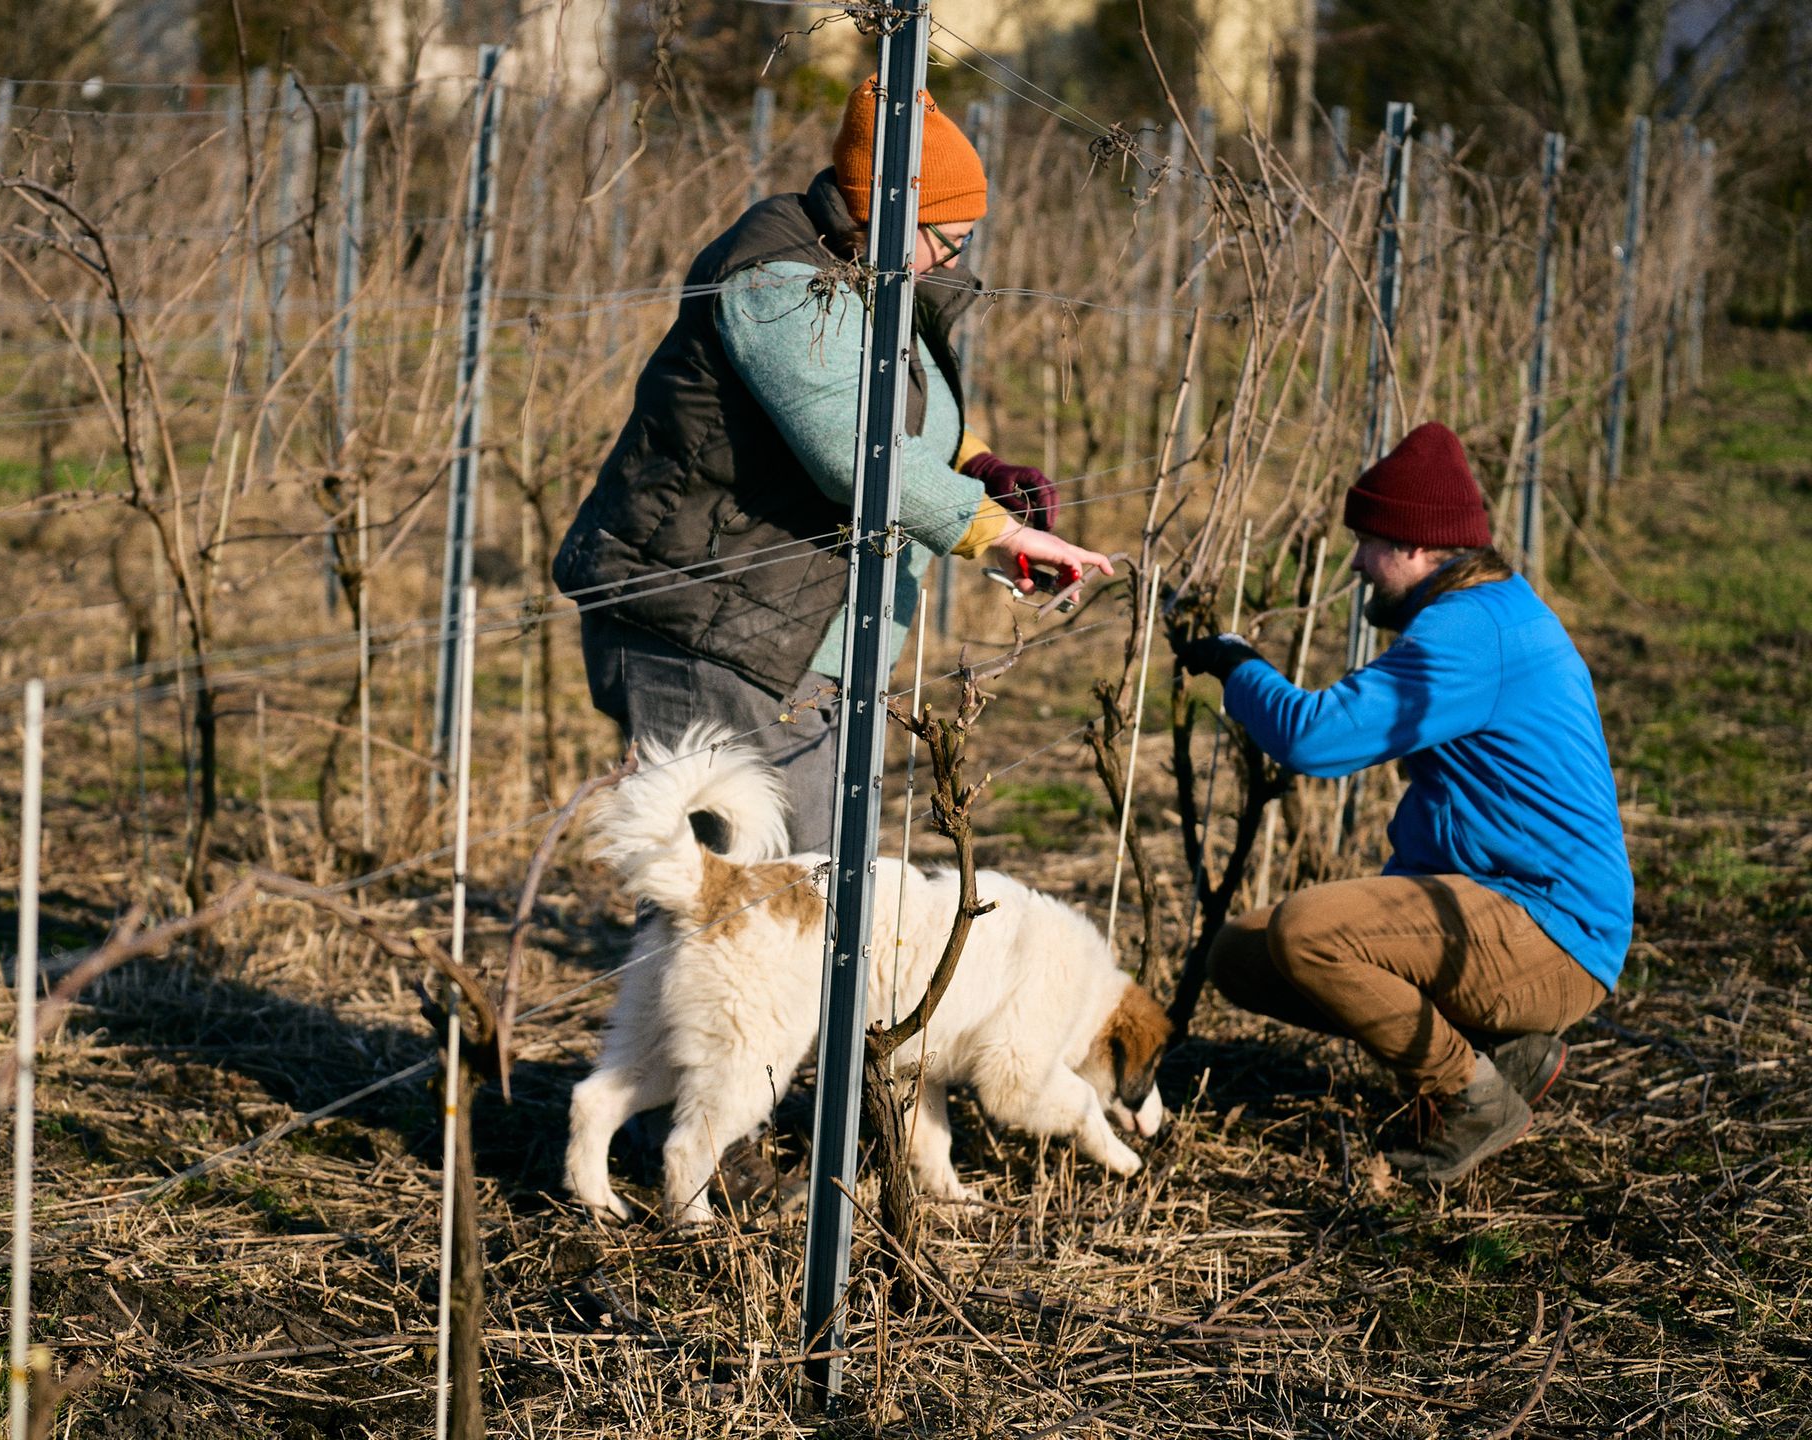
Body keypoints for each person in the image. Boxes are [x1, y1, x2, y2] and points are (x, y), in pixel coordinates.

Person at [554, 78, 1110, 853]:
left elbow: (901, 405)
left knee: (792, 902)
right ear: (886, 212)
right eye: (949, 237)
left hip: (790, 631)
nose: (956, 257)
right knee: (736, 909)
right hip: (710, 632)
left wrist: (975, 461)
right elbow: (856, 449)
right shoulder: (780, 281)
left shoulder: (879, 269)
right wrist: (996, 533)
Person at [1177, 422, 1633, 1184]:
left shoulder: (1467, 634)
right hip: (1506, 907)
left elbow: (1314, 740)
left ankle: (1470, 1096)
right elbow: (1451, 818)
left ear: (1417, 547)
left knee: (1309, 936)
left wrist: (1235, 664)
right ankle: (1505, 1049)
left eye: (1367, 542)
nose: (1356, 561)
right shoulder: (1485, 613)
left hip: (1554, 930)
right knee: (1242, 957)